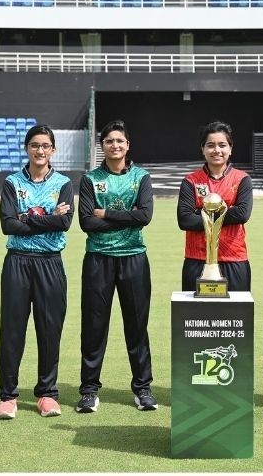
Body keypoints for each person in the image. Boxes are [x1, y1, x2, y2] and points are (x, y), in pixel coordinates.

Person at [75, 120, 158, 413]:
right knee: (94, 326)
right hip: (98, 259)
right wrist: (126, 217)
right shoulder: (90, 179)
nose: (115, 145)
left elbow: (144, 216)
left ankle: (143, 388)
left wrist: (106, 213)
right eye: (109, 141)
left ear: (128, 145)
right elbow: (87, 222)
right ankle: (89, 390)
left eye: (120, 140)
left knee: (137, 325)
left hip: (134, 257)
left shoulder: (141, 177)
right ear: (102, 146)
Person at [0, 124, 74, 420]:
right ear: (27, 148)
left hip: (50, 262)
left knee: (50, 329)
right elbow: (8, 224)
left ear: (53, 150)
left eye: (45, 146)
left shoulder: (64, 183)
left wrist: (26, 217)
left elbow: (64, 224)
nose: (40, 150)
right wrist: (47, 217)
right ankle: (7, 396)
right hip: (17, 261)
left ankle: (47, 393)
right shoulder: (12, 182)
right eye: (35, 145)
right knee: (12, 329)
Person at [177, 121, 253, 291]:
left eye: (222, 145)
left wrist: (200, 211)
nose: (217, 150)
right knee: (195, 309)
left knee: (236, 309)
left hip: (234, 258)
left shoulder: (242, 179)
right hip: (197, 258)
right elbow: (185, 220)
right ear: (202, 149)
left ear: (230, 148)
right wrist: (228, 209)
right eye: (210, 145)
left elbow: (242, 214)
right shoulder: (191, 181)